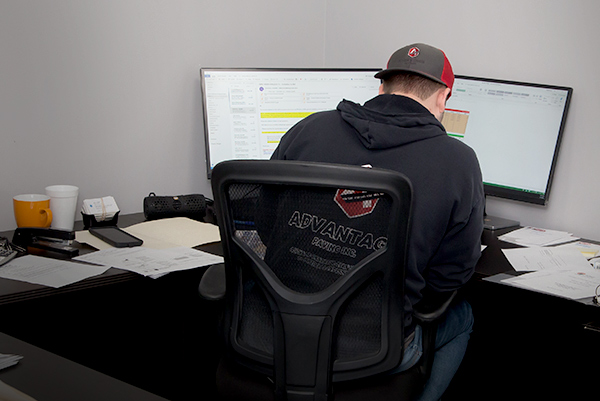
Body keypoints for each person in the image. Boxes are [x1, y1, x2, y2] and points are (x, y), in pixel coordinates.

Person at [269, 43, 484, 400]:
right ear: (444, 98)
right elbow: (450, 277)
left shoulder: (310, 128)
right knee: (461, 317)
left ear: (381, 87)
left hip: (276, 330)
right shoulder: (458, 162)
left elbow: (265, 222)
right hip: (374, 349)